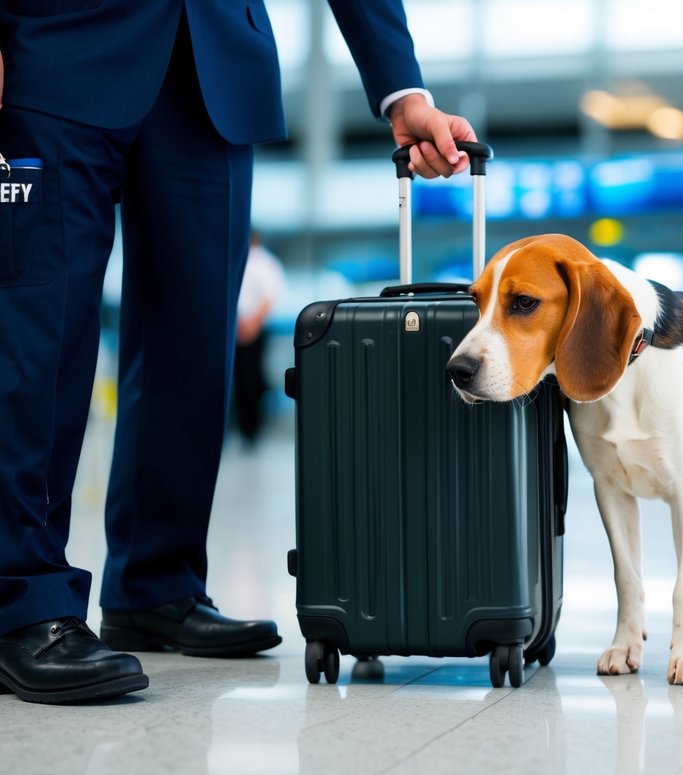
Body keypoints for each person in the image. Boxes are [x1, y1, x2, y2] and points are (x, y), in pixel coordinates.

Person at [0, 1, 476, 704]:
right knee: (41, 338)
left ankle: (155, 585)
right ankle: (22, 601)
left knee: (192, 348)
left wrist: (401, 88)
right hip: (56, 52)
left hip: (214, 69)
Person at [233, 231, 287, 447]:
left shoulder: (264, 262)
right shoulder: (237, 259)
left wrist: (252, 323)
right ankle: (242, 427)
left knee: (252, 377)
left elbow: (269, 296)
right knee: (238, 379)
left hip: (256, 327)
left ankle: (253, 429)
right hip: (237, 327)